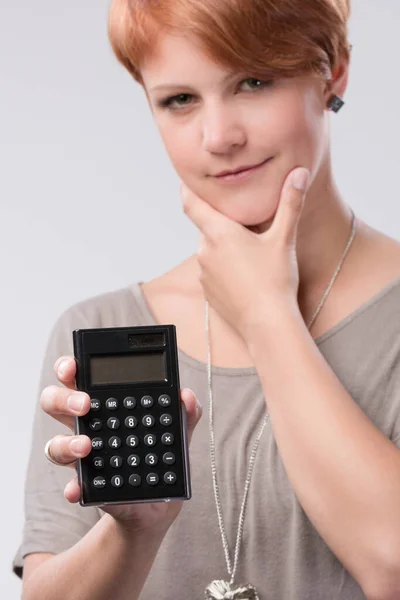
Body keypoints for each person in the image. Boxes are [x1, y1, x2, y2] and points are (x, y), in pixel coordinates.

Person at [12, 0, 400, 598]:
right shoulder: (102, 326)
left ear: (334, 72)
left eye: (253, 82)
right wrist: (131, 531)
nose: (219, 137)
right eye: (180, 100)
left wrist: (266, 314)